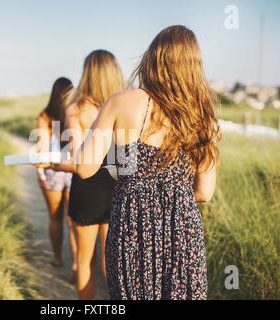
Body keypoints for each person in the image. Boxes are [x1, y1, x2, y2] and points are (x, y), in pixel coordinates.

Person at [76, 26, 220, 300]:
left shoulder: (121, 102)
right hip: (182, 229)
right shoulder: (203, 115)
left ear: (153, 58)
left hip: (132, 225)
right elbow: (204, 192)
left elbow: (85, 168)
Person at [50, 50, 124, 299]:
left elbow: (80, 162)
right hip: (118, 188)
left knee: (85, 262)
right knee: (113, 264)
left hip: (87, 189)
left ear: (88, 73)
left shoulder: (77, 109)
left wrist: (56, 166)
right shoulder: (124, 106)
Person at [36, 77, 77, 276]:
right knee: (73, 220)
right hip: (71, 169)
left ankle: (57, 257)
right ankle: (78, 262)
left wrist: (39, 173)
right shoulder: (75, 113)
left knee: (55, 218)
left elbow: (42, 149)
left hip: (52, 170)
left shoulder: (45, 116)